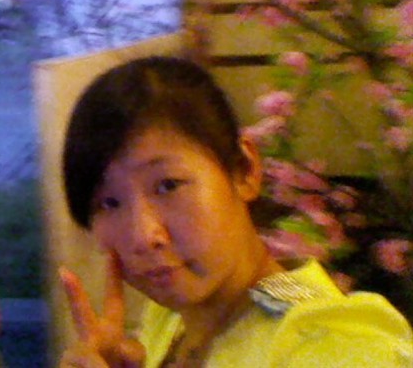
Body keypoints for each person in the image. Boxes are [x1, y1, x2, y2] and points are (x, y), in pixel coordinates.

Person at [58, 56, 413, 367]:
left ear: (244, 169)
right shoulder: (170, 320)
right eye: (109, 203)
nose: (143, 236)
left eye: (168, 185)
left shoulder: (335, 342)